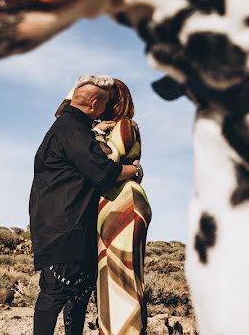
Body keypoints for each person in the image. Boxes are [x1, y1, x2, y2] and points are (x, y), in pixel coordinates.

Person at [29, 75, 144, 335]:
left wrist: (98, 129)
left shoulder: (71, 127)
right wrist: (133, 170)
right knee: (56, 294)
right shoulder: (72, 131)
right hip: (64, 228)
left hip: (68, 226)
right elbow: (104, 172)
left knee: (76, 296)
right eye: (104, 104)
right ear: (93, 103)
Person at [93, 79, 152, 335]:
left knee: (123, 276)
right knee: (110, 276)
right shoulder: (115, 127)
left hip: (124, 205)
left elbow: (110, 158)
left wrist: (92, 132)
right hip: (114, 204)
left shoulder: (125, 126)